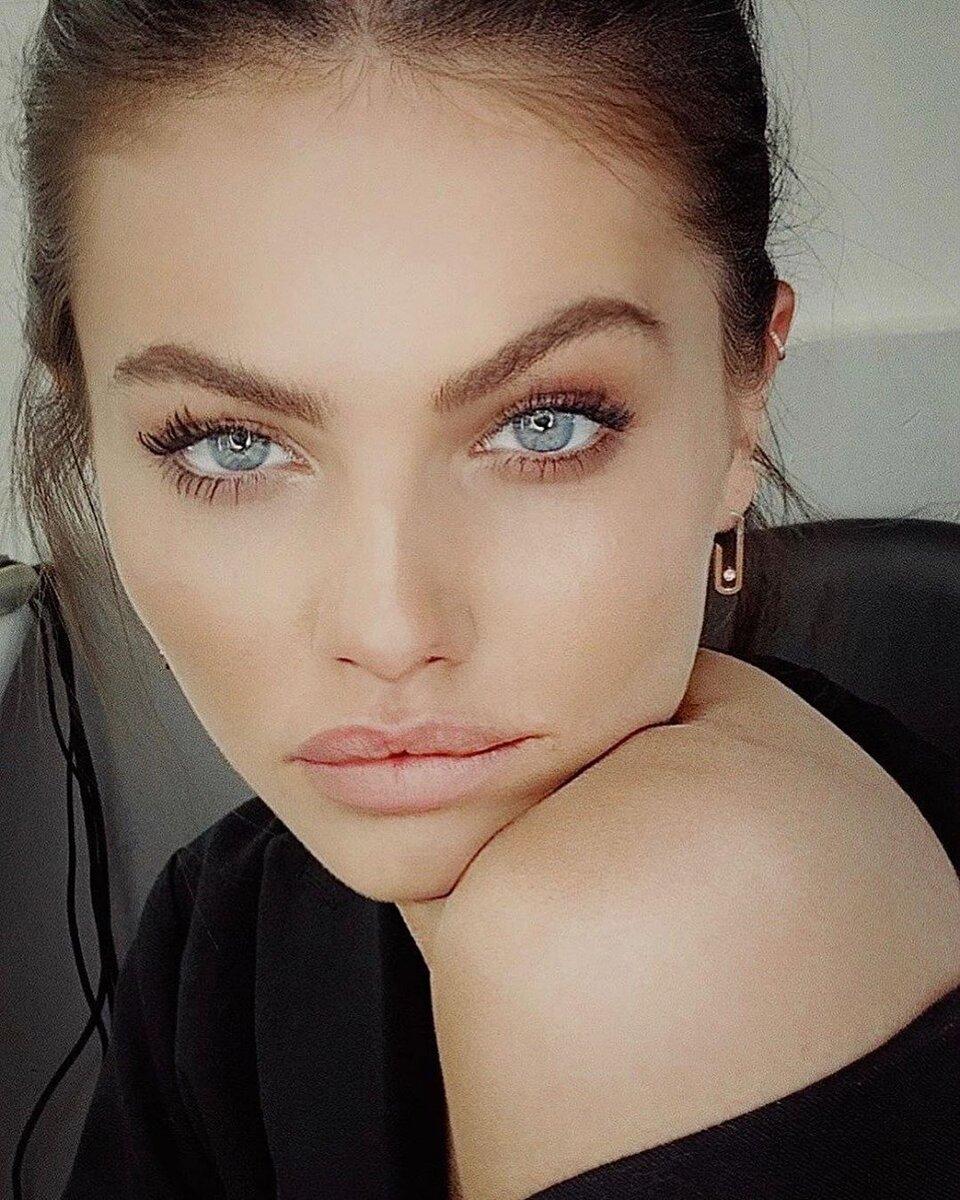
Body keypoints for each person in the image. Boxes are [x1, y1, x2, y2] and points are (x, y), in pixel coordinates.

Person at [6, 2, 959, 1197]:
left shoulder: (673, 928)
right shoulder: (226, 925)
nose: (390, 632)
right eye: (230, 445)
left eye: (543, 425)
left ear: (743, 402)